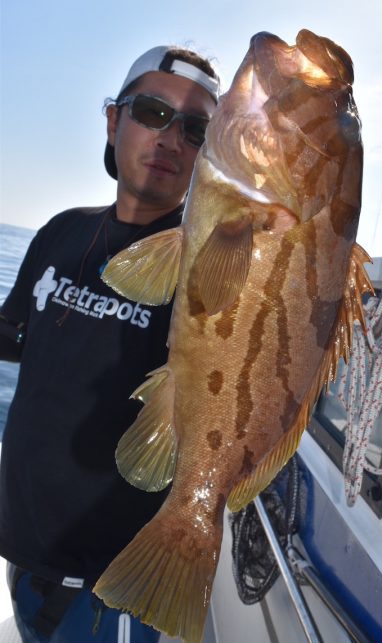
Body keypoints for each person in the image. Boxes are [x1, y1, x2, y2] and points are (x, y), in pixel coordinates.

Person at [0, 44, 220, 642]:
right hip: (23, 551)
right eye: (153, 112)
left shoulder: (212, 270)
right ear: (112, 119)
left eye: (197, 129)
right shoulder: (61, 230)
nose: (172, 137)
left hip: (110, 588)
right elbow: (15, 334)